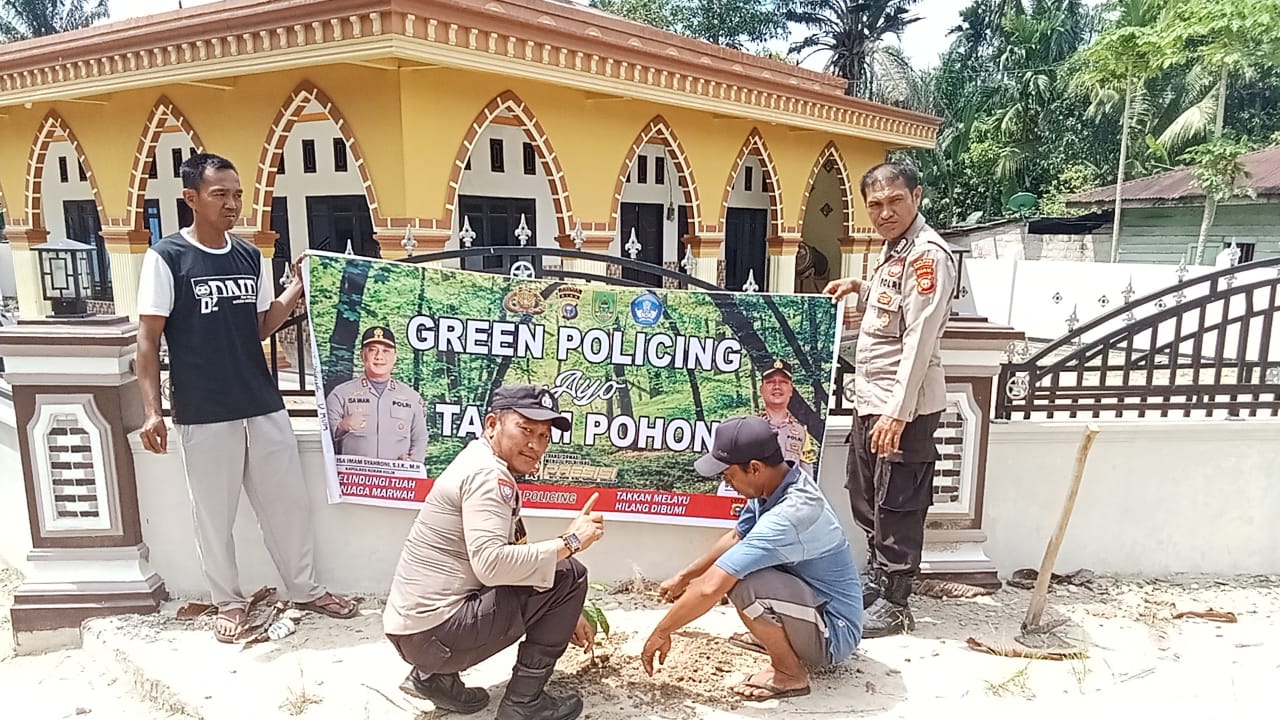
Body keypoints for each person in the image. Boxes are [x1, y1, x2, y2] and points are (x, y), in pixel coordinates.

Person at [135, 153, 358, 643]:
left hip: (261, 399)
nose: (233, 203)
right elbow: (148, 339)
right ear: (191, 199)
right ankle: (228, 602)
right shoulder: (167, 258)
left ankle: (304, 588)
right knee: (214, 513)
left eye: (237, 194)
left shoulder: (248, 255)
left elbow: (261, 324)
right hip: (204, 407)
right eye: (221, 194)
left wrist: (297, 286)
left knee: (287, 503)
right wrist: (153, 411)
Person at [384, 384, 605, 720]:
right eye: (526, 429)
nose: (535, 445)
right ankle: (524, 704)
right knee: (570, 575)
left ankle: (433, 679)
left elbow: (511, 556)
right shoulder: (489, 476)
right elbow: (491, 565)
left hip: (413, 631)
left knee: (554, 574)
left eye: (544, 435)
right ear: (492, 424)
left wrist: (566, 610)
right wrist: (571, 543)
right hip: (435, 634)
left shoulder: (478, 459)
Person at [822, 161, 956, 638]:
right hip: (871, 397)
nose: (885, 212)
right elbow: (893, 309)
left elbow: (919, 340)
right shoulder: (894, 251)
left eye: (895, 201)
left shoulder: (927, 256)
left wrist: (898, 414)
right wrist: (861, 285)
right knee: (866, 494)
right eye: (875, 205)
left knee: (898, 501)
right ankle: (880, 578)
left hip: (905, 406)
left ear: (916, 196)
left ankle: (898, 603)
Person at [642, 416, 862, 702]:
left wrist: (661, 631)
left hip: (834, 633)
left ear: (755, 468)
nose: (727, 483)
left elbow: (711, 586)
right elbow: (736, 537)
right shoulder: (776, 486)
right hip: (816, 609)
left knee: (744, 585)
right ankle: (780, 638)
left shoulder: (790, 515)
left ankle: (789, 674)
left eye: (729, 475)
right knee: (741, 573)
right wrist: (684, 577)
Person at [716, 359, 817, 498]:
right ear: (761, 390)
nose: (777, 387)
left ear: (791, 390)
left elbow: (807, 475)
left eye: (783, 382)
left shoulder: (801, 431)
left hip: (789, 501)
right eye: (770, 382)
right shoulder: (748, 429)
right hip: (753, 499)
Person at [325, 325, 428, 462]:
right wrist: (342, 427)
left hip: (397, 478)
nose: (379, 357)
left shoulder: (412, 398)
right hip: (354, 478)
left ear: (394, 358)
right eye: (372, 350)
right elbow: (325, 441)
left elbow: (419, 438)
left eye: (386, 351)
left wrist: (413, 464)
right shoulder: (340, 395)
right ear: (362, 355)